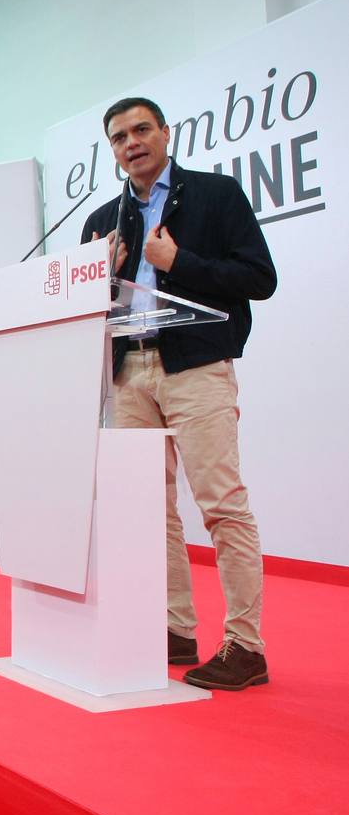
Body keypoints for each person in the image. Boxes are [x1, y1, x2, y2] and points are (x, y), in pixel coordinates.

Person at [81, 96, 276, 691]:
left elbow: (258, 279)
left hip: (194, 365)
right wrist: (98, 274)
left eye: (142, 129)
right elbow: (85, 306)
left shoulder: (216, 196)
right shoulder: (102, 219)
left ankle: (246, 645)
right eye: (119, 137)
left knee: (221, 502)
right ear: (112, 151)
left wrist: (178, 260)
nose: (132, 142)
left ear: (166, 133)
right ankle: (175, 628)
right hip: (128, 370)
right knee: (149, 508)